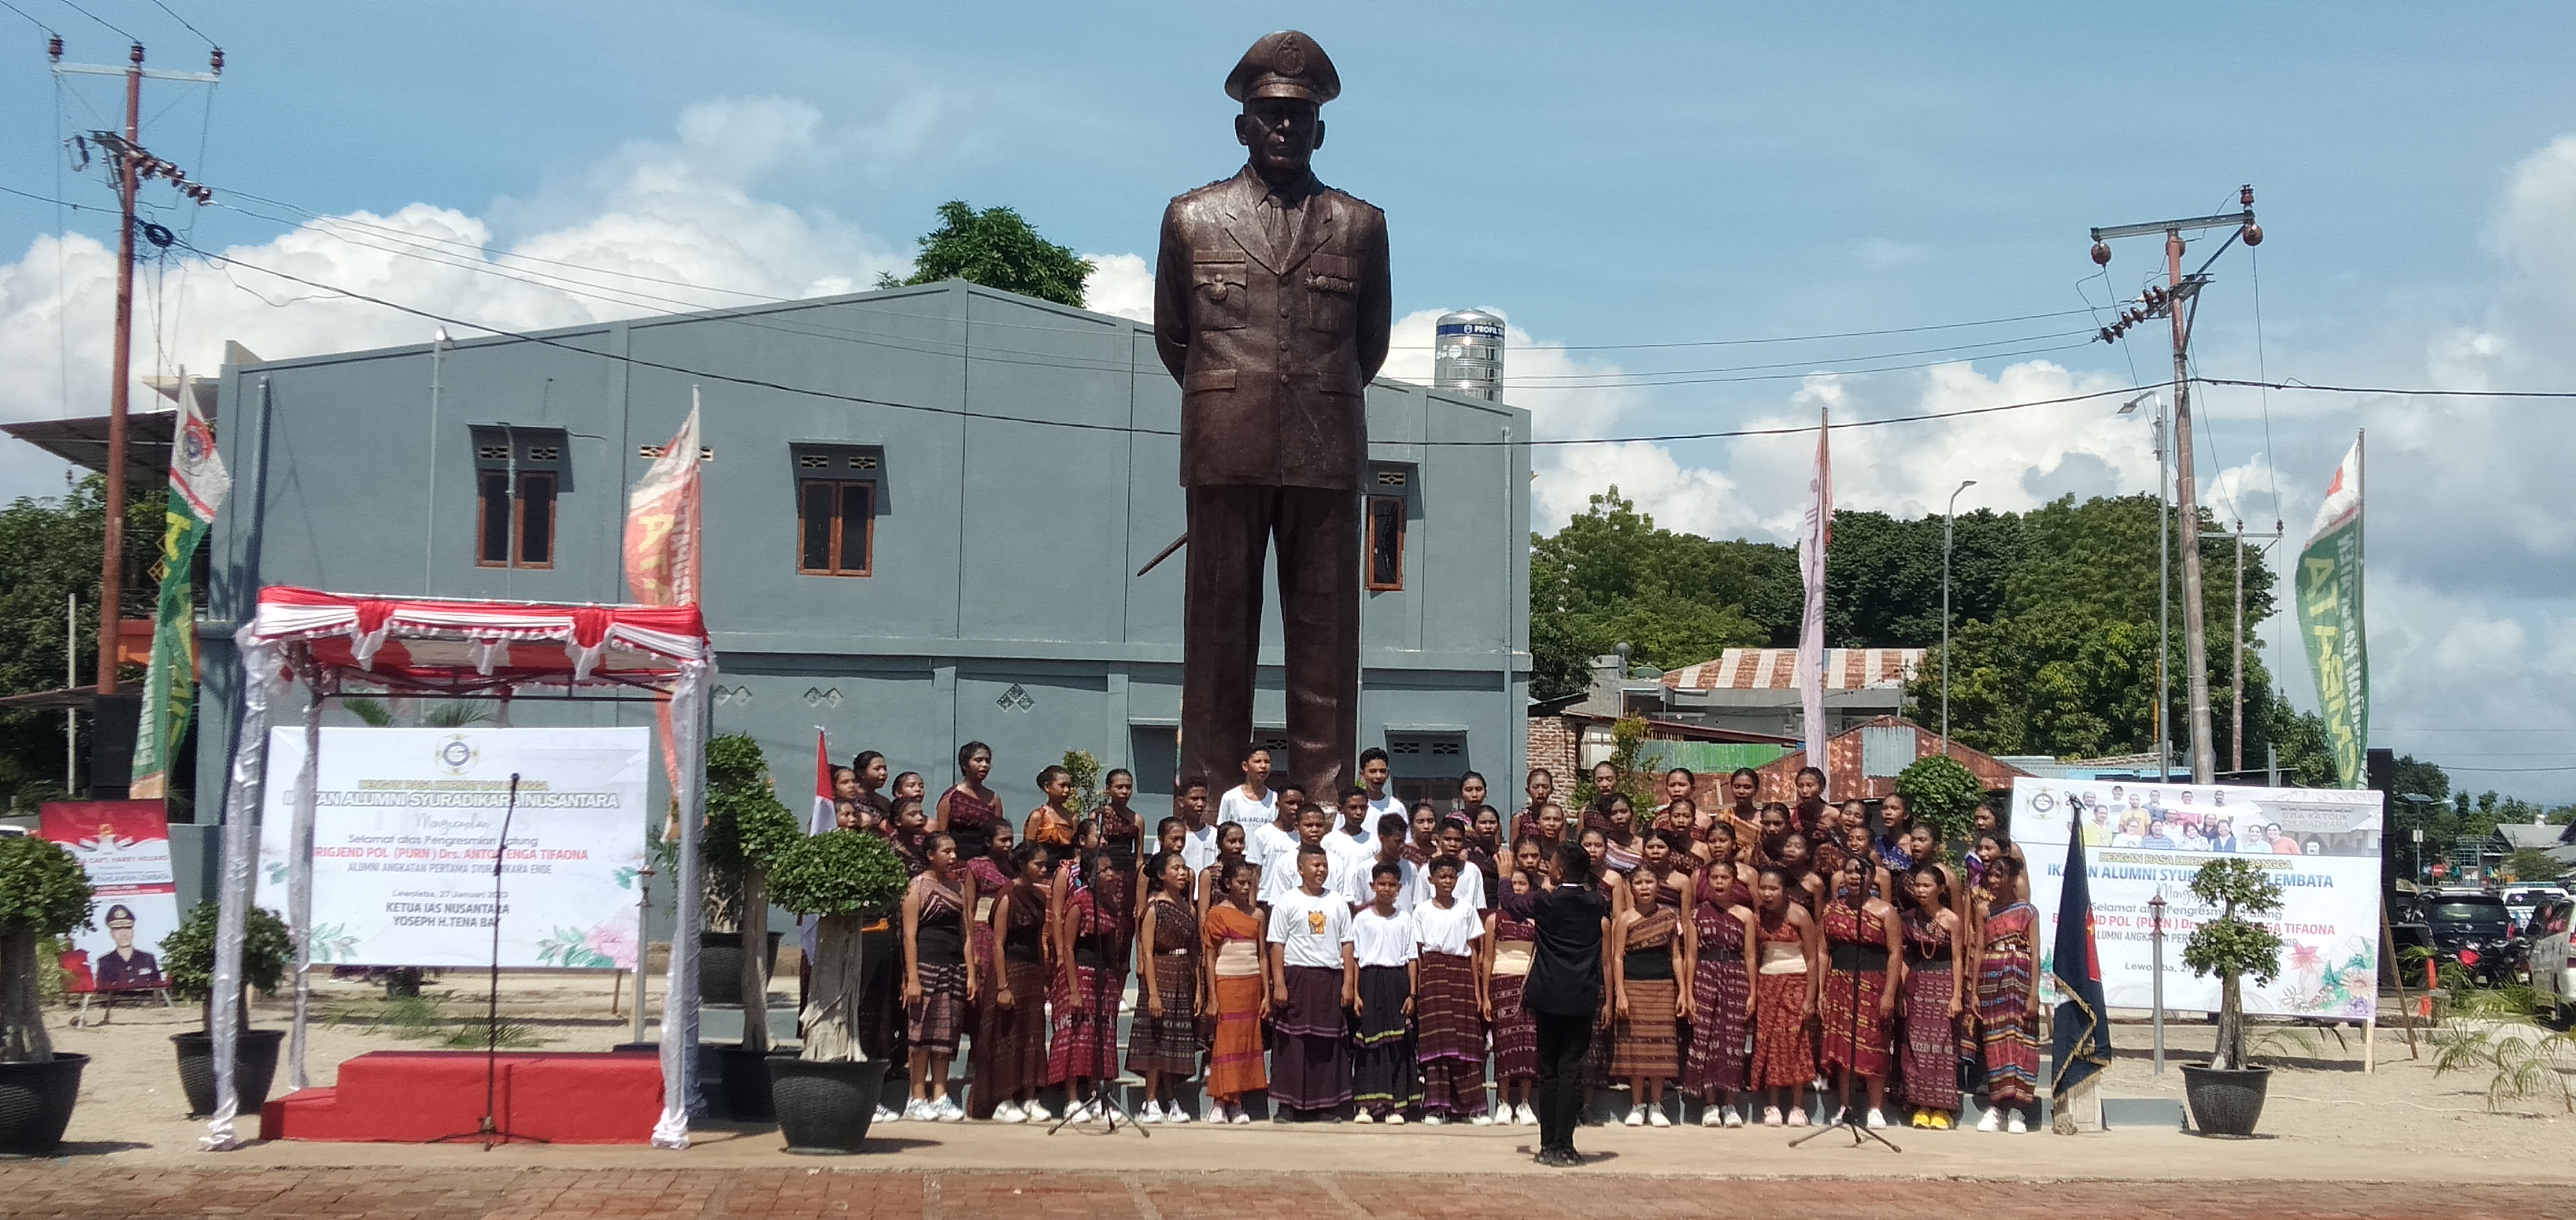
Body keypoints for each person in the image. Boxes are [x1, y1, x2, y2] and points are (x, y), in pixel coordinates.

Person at [1527, 840, 1612, 1166]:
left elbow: (1511, 903)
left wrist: (1507, 877)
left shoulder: (1546, 902)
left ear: (1559, 871)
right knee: (1572, 1071)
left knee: (1549, 1071)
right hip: (1581, 996)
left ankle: (1548, 1145)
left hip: (1549, 996)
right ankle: (1566, 1145)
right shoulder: (1596, 904)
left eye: (1551, 863)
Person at [1266, 843, 1357, 1122]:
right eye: (1316, 866)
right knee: (1293, 1043)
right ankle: (1288, 1106)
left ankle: (1325, 1106)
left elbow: (1347, 944)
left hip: (1329, 977)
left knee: (1327, 1044)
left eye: (1325, 866)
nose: (1321, 871)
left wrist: (1348, 984)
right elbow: (1277, 945)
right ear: (1300, 869)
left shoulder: (1337, 902)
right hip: (1297, 977)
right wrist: (1279, 984)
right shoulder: (1287, 901)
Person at [1817, 855, 1904, 1130]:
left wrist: (1889, 994)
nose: (1855, 878)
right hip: (1840, 982)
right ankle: (1846, 1106)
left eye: (1861, 873)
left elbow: (1894, 954)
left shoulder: (1885, 912)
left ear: (1871, 878)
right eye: (1850, 872)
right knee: (1844, 1048)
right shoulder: (1831, 911)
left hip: (1873, 982)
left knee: (1873, 1045)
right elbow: (1822, 951)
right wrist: (1822, 990)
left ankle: (1876, 1108)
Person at [1684, 823, 1757, 1126]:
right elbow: (1690, 955)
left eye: (1724, 877)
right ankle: (1709, 1104)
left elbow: (1751, 955)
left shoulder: (1746, 915)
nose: (1718, 883)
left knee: (1732, 1040)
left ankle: (1730, 1104)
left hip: (1736, 976)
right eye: (1713, 877)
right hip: (1704, 974)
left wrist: (1753, 992)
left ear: (1734, 880)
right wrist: (1687, 992)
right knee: (1705, 1037)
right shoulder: (1696, 915)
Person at [900, 832, 975, 1122]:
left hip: (954, 967)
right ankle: (917, 1097)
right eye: (947, 851)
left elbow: (966, 934)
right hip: (926, 967)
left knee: (946, 1033)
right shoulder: (916, 888)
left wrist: (970, 973)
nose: (953, 856)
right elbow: (909, 935)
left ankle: (940, 1095)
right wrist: (913, 978)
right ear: (930, 855)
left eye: (955, 851)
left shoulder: (959, 888)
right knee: (921, 1035)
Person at [1412, 855, 1490, 1125]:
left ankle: (1473, 1108)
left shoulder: (1466, 909)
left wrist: (1479, 993)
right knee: (1437, 1043)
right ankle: (1436, 1108)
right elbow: (1419, 953)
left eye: (1452, 877)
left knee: (1466, 1041)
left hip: (1461, 975)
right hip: (1433, 974)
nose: (1447, 881)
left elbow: (1474, 952)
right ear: (1431, 880)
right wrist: (1419, 987)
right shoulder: (1421, 911)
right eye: (1442, 877)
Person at [1609, 868, 1690, 1126]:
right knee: (1637, 1049)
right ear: (1631, 888)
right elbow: (1617, 957)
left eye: (1650, 882)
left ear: (1659, 886)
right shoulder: (1624, 920)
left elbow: (1677, 956)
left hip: (1663, 987)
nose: (1644, 887)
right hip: (1633, 987)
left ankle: (1656, 1105)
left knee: (1661, 1047)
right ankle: (1636, 1105)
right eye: (1639, 883)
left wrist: (1684, 992)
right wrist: (1620, 993)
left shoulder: (1669, 917)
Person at [980, 842, 1053, 1123]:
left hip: (1032, 973)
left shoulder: (1038, 896)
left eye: (1046, 865)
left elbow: (1038, 939)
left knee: (1032, 1033)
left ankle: (1030, 1096)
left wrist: (1043, 976)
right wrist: (1002, 986)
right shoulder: (1008, 896)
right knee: (1007, 1036)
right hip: (1009, 970)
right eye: (1039, 865)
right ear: (1023, 864)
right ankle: (1004, 1100)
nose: (1044, 870)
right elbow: (998, 944)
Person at [1129, 850, 1203, 1124]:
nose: (1183, 873)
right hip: (1160, 974)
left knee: (1175, 1042)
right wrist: (1154, 995)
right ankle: (1150, 1101)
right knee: (1156, 1041)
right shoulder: (1154, 908)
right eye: (1176, 868)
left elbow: (1195, 951)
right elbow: (1147, 953)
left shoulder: (1187, 908)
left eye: (1184, 868)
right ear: (1162, 875)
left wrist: (1198, 989)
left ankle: (1172, 1097)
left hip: (1183, 975)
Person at [1047, 847, 1118, 1120]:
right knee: (1077, 1036)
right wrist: (1074, 990)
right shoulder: (1078, 902)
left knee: (1100, 1038)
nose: (1111, 875)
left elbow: (1111, 946)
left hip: (1103, 978)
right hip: (1079, 974)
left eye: (1112, 869)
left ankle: (1097, 1095)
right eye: (1105, 870)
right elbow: (1067, 947)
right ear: (1090, 875)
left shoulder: (1110, 903)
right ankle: (1073, 1099)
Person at [1349, 862, 1421, 1123]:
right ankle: (1367, 1106)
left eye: (1392, 885)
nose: (1386, 889)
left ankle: (1395, 1107)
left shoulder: (1404, 919)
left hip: (1396, 981)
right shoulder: (1362, 919)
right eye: (1382, 884)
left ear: (1399, 889)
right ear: (1373, 886)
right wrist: (1356, 993)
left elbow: (1412, 958)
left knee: (1397, 1045)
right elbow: (1356, 959)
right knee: (1369, 1045)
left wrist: (1412, 994)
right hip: (1370, 982)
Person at [1750, 866, 1819, 1127]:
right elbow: (1755, 956)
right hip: (1768, 982)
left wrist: (1811, 997)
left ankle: (1798, 1107)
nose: (1768, 894)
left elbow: (1812, 959)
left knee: (1796, 1042)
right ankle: (1773, 1105)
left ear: (1785, 890)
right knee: (1769, 1043)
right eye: (1764, 888)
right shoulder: (1756, 918)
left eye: (1773, 888)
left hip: (1797, 981)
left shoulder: (1800, 915)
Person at [1897, 866, 1966, 1129]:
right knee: (1915, 1045)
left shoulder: (1951, 920)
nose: (1921, 891)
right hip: (1917, 984)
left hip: (1944, 982)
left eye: (1927, 886)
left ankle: (1942, 1108)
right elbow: (1907, 957)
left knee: (1943, 1046)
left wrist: (1957, 994)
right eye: (1918, 886)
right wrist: (1900, 992)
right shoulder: (1907, 919)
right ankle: (1921, 1104)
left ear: (1940, 889)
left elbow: (1957, 958)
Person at [1973, 856, 2038, 1134]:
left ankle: (2018, 1110)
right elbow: (1977, 949)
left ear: (2013, 880)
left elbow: (2035, 954)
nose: (1994, 881)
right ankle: (1996, 1107)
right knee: (1994, 1043)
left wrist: (2034, 993)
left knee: (2020, 1043)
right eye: (1991, 876)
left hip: (2020, 983)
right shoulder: (1984, 911)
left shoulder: (2028, 912)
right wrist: (1974, 991)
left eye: (2000, 876)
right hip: (1990, 983)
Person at [1201, 859, 1269, 1123]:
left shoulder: (1258, 915)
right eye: (1240, 883)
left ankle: (1237, 1102)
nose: (1245, 887)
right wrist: (1212, 996)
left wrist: (1265, 993)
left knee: (1246, 1043)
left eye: (1249, 883)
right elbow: (1209, 957)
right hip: (1226, 983)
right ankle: (1219, 1102)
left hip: (1251, 985)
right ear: (1227, 884)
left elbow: (1262, 955)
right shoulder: (1217, 914)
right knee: (1225, 1044)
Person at [962, 821, 1017, 1118]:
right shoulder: (976, 867)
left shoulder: (1013, 867)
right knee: (982, 1002)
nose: (1008, 845)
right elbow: (968, 910)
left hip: (1008, 939)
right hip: (983, 936)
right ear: (988, 841)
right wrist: (970, 946)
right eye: (1003, 840)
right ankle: (976, 1060)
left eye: (1011, 840)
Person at [1489, 852, 1543, 1125]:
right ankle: (1503, 1102)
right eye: (1514, 884)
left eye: (1523, 885)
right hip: (1501, 983)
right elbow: (1487, 958)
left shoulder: (1536, 922)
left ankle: (1524, 1103)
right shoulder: (1494, 919)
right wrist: (1483, 996)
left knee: (1528, 1045)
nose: (1517, 889)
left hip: (1528, 985)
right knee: (1505, 1044)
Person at [935, 744, 1002, 862]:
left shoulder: (994, 799)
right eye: (978, 760)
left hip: (986, 862)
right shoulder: (952, 797)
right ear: (965, 765)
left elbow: (999, 834)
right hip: (957, 861)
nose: (984, 765)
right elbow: (941, 836)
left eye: (987, 761)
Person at [93, 904, 162, 989]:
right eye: (118, 929)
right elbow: (102, 992)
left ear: (133, 931)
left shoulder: (148, 959)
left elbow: (158, 988)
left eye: (127, 928)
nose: (124, 934)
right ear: (112, 934)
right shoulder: (105, 962)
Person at [1025, 765, 1080, 869]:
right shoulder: (1038, 816)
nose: (1067, 790)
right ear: (1047, 787)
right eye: (1062, 786)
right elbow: (1029, 849)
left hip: (1066, 871)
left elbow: (1076, 849)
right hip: (1043, 870)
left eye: (1069, 786)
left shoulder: (1073, 818)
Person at [1198, 822, 1249, 926]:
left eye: (1241, 841)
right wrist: (1205, 940)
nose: (1238, 846)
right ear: (1219, 843)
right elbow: (1203, 913)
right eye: (1232, 842)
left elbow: (1252, 908)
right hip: (1217, 930)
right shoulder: (1209, 874)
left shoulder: (1249, 872)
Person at [1218, 743, 1278, 829]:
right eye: (1258, 762)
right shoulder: (1230, 798)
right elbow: (1222, 832)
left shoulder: (1275, 800)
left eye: (1267, 762)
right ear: (1245, 766)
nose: (1263, 766)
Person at [1175, 777, 1220, 874]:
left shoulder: (1214, 835)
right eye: (1194, 799)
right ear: (1181, 802)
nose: (1200, 804)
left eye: (1203, 799)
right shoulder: (1171, 834)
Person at [1359, 747, 1406, 829]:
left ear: (1388, 775)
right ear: (1362, 774)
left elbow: (1405, 840)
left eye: (1382, 771)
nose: (1378, 776)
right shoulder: (1352, 807)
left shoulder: (1397, 807)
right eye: (1373, 771)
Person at [1876, 792, 1919, 873]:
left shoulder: (1914, 845)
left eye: (1894, 808)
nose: (1888, 813)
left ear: (1906, 815)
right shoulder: (1877, 844)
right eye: (1885, 808)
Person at [1513, 767, 1557, 842]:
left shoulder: (1557, 818)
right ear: (1528, 790)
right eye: (1535, 787)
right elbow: (1513, 850)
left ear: (1552, 790)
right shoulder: (1519, 818)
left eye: (1545, 787)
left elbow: (1563, 850)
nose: (1541, 792)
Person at [1792, 765, 1829, 839]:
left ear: (1822, 788)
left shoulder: (1833, 816)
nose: (1804, 791)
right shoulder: (1792, 815)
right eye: (1801, 786)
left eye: (1810, 786)